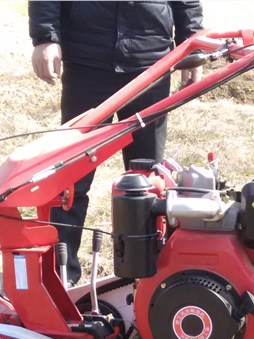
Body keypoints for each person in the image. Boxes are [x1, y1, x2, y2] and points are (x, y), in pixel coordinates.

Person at [28, 1, 204, 285]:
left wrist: (191, 43)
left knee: (147, 183)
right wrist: (45, 36)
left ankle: (146, 277)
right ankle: (61, 277)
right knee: (69, 181)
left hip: (151, 62)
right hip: (87, 59)